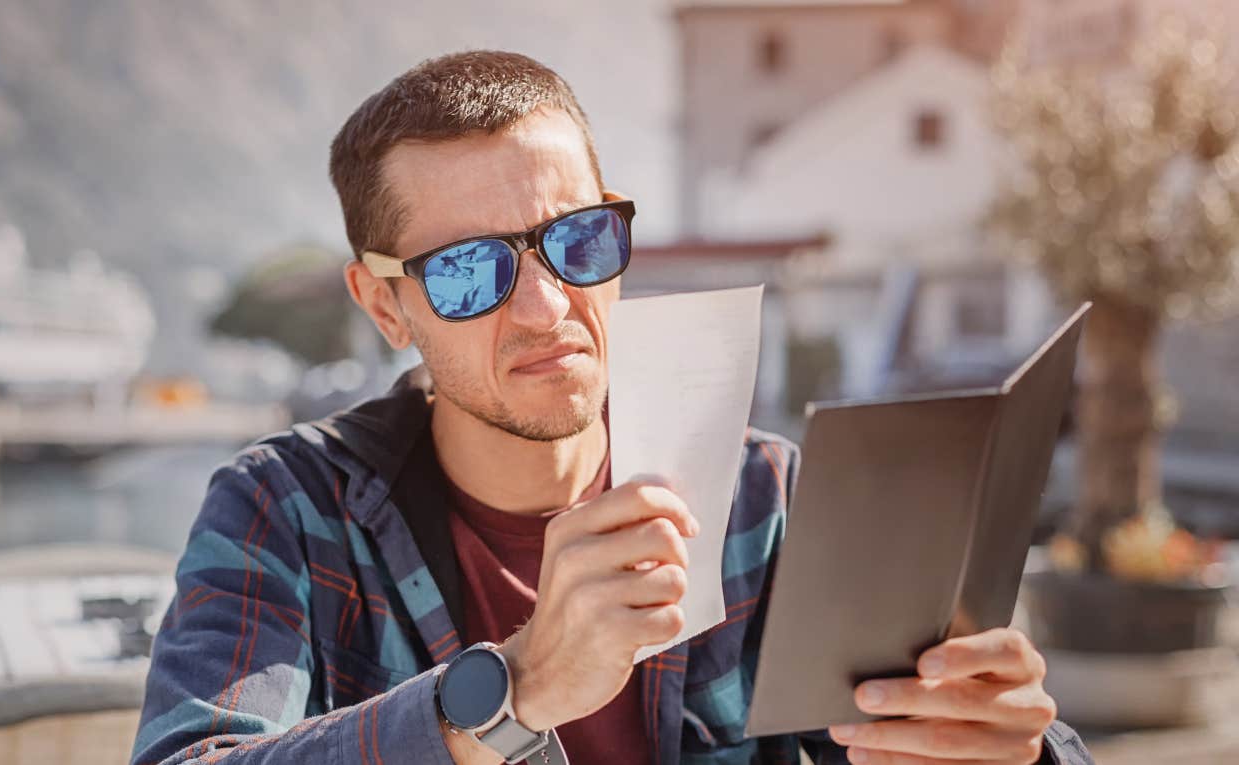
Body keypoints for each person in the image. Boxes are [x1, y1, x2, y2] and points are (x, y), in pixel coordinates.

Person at [132, 51, 1093, 765]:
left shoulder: (764, 495)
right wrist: (517, 687)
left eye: (576, 239)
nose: (549, 307)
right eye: (469, 271)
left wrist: (1009, 744)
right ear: (385, 304)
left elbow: (925, 733)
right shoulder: (285, 512)